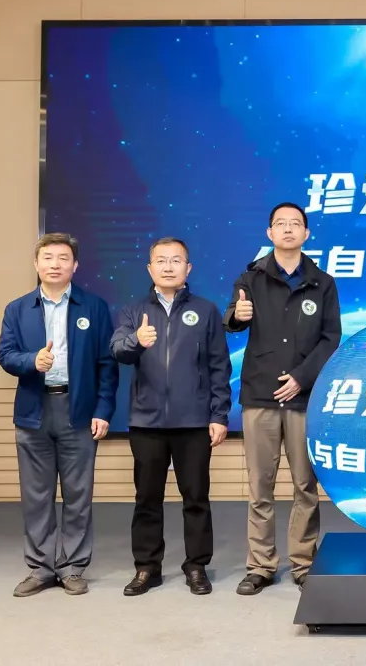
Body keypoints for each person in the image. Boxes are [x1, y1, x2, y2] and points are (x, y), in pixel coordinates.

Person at [223, 203, 342, 595]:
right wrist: (238, 315)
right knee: (261, 486)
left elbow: (331, 338)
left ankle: (303, 562)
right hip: (260, 395)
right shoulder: (251, 277)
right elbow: (232, 318)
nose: (288, 229)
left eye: (295, 224)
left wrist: (301, 378)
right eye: (280, 224)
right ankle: (260, 565)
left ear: (306, 233)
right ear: (270, 233)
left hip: (303, 398)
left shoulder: (322, 283)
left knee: (305, 484)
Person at [0, 233, 118, 597]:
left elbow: (107, 364)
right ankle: (41, 568)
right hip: (33, 411)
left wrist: (103, 409)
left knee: (78, 495)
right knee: (37, 496)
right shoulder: (17, 309)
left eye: (63, 258)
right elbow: (5, 355)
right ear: (36, 264)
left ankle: (73, 567)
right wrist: (31, 360)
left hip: (78, 411)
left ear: (75, 266)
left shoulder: (94, 307)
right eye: (47, 258)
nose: (55, 264)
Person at [110, 237, 232, 596]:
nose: (168, 266)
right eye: (161, 261)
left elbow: (219, 366)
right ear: (150, 269)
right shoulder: (133, 311)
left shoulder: (206, 310)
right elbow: (118, 351)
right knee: (147, 498)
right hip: (146, 422)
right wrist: (137, 340)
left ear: (187, 268)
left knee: (196, 498)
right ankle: (147, 567)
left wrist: (219, 414)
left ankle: (197, 566)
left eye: (176, 260)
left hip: (193, 422)